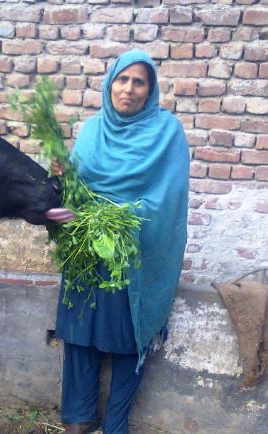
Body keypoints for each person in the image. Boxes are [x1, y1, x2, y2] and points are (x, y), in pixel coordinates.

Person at [52, 50, 190, 434]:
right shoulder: (92, 130)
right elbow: (76, 195)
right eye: (122, 79)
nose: (128, 89)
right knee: (80, 331)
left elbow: (168, 200)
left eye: (138, 82)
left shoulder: (167, 133)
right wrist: (65, 179)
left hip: (134, 254)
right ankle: (80, 416)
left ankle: (116, 422)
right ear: (110, 83)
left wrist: (119, 217)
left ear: (150, 90)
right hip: (87, 249)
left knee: (129, 336)